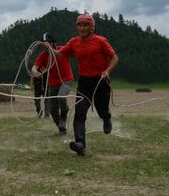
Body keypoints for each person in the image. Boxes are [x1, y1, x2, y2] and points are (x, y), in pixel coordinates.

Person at [49, 14, 118, 156]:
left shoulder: (101, 41)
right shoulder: (74, 42)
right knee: (79, 112)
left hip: (101, 81)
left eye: (85, 25)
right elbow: (60, 54)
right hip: (84, 82)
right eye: (80, 25)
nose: (82, 28)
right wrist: (49, 49)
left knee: (102, 110)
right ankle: (80, 144)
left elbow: (114, 57)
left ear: (91, 26)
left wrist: (107, 70)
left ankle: (106, 118)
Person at [31, 33, 73, 135]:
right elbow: (35, 66)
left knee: (61, 97)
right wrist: (35, 72)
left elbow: (63, 53)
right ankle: (61, 128)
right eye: (44, 44)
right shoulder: (43, 55)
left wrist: (51, 49)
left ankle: (63, 116)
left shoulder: (62, 49)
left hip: (65, 80)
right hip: (52, 83)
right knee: (52, 109)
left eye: (48, 43)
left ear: (53, 43)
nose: (45, 46)